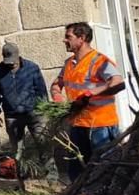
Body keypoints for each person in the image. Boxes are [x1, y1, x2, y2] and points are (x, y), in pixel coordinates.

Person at [50, 22, 124, 182]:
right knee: (77, 170)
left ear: (81, 38)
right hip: (78, 124)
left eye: (68, 37)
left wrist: (89, 94)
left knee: (103, 170)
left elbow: (118, 82)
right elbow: (57, 84)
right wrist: (57, 96)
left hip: (101, 126)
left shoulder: (99, 61)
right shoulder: (69, 64)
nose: (64, 40)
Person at [0, 42, 56, 180]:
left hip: (35, 113)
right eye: (8, 62)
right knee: (18, 151)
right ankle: (22, 181)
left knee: (44, 146)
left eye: (13, 61)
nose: (11, 64)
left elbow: (41, 90)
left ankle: (52, 180)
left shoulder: (32, 68)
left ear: (18, 55)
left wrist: (45, 109)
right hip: (12, 116)